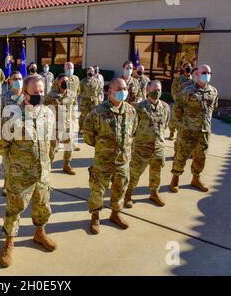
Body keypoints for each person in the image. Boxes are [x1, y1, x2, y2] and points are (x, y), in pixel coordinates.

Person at [0, 74, 56, 268]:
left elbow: (51, 141)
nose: (39, 95)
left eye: (41, 91)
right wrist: (16, 163)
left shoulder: (48, 113)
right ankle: (9, 243)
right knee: (14, 210)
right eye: (35, 92)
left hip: (43, 172)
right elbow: (1, 144)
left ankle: (39, 233)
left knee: (42, 206)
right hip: (20, 174)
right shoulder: (12, 115)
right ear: (25, 93)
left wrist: (47, 162)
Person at [82, 78, 138, 233]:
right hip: (103, 160)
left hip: (123, 160)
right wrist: (101, 146)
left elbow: (133, 131)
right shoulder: (98, 111)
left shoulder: (131, 110)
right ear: (110, 91)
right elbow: (87, 132)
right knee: (98, 190)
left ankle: (115, 214)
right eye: (119, 89)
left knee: (120, 188)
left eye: (125, 88)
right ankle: (95, 217)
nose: (123, 91)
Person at [170, 65, 218, 193]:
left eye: (209, 72)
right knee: (181, 155)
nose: (207, 74)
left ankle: (196, 179)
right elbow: (177, 109)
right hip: (188, 130)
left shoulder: (213, 91)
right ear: (197, 74)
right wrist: (180, 125)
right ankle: (175, 179)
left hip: (204, 131)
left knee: (201, 156)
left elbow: (213, 108)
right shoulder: (187, 91)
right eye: (204, 72)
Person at [124, 80, 171, 208]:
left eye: (159, 89)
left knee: (156, 172)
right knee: (135, 172)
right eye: (154, 90)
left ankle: (154, 193)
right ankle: (128, 194)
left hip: (158, 146)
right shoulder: (139, 108)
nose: (157, 92)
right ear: (147, 91)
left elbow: (165, 125)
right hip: (141, 147)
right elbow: (132, 127)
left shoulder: (166, 107)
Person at [45, 74, 76, 175]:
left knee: (69, 147)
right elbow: (44, 106)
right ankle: (47, 166)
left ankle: (67, 165)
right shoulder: (51, 95)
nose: (65, 83)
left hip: (67, 126)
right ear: (58, 83)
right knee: (52, 149)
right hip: (55, 127)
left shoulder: (71, 94)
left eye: (67, 81)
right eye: (62, 81)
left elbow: (73, 107)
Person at [0, 71, 25, 196]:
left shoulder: (27, 95)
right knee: (7, 161)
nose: (18, 81)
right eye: (15, 78)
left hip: (23, 135)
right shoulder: (4, 97)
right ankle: (6, 184)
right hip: (8, 134)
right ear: (9, 81)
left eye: (20, 78)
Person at [168, 62, 193, 140]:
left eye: (190, 67)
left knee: (185, 119)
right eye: (187, 67)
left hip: (188, 104)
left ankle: (182, 134)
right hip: (178, 102)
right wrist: (177, 100)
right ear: (183, 68)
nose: (188, 68)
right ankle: (172, 131)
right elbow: (173, 90)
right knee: (175, 118)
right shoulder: (178, 79)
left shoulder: (193, 80)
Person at [79, 66, 103, 131]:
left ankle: (94, 129)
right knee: (84, 115)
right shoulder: (83, 81)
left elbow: (100, 91)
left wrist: (99, 100)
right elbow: (80, 91)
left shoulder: (97, 81)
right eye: (89, 71)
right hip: (85, 100)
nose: (91, 72)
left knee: (95, 115)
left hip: (94, 100)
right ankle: (81, 128)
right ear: (87, 72)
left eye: (92, 71)